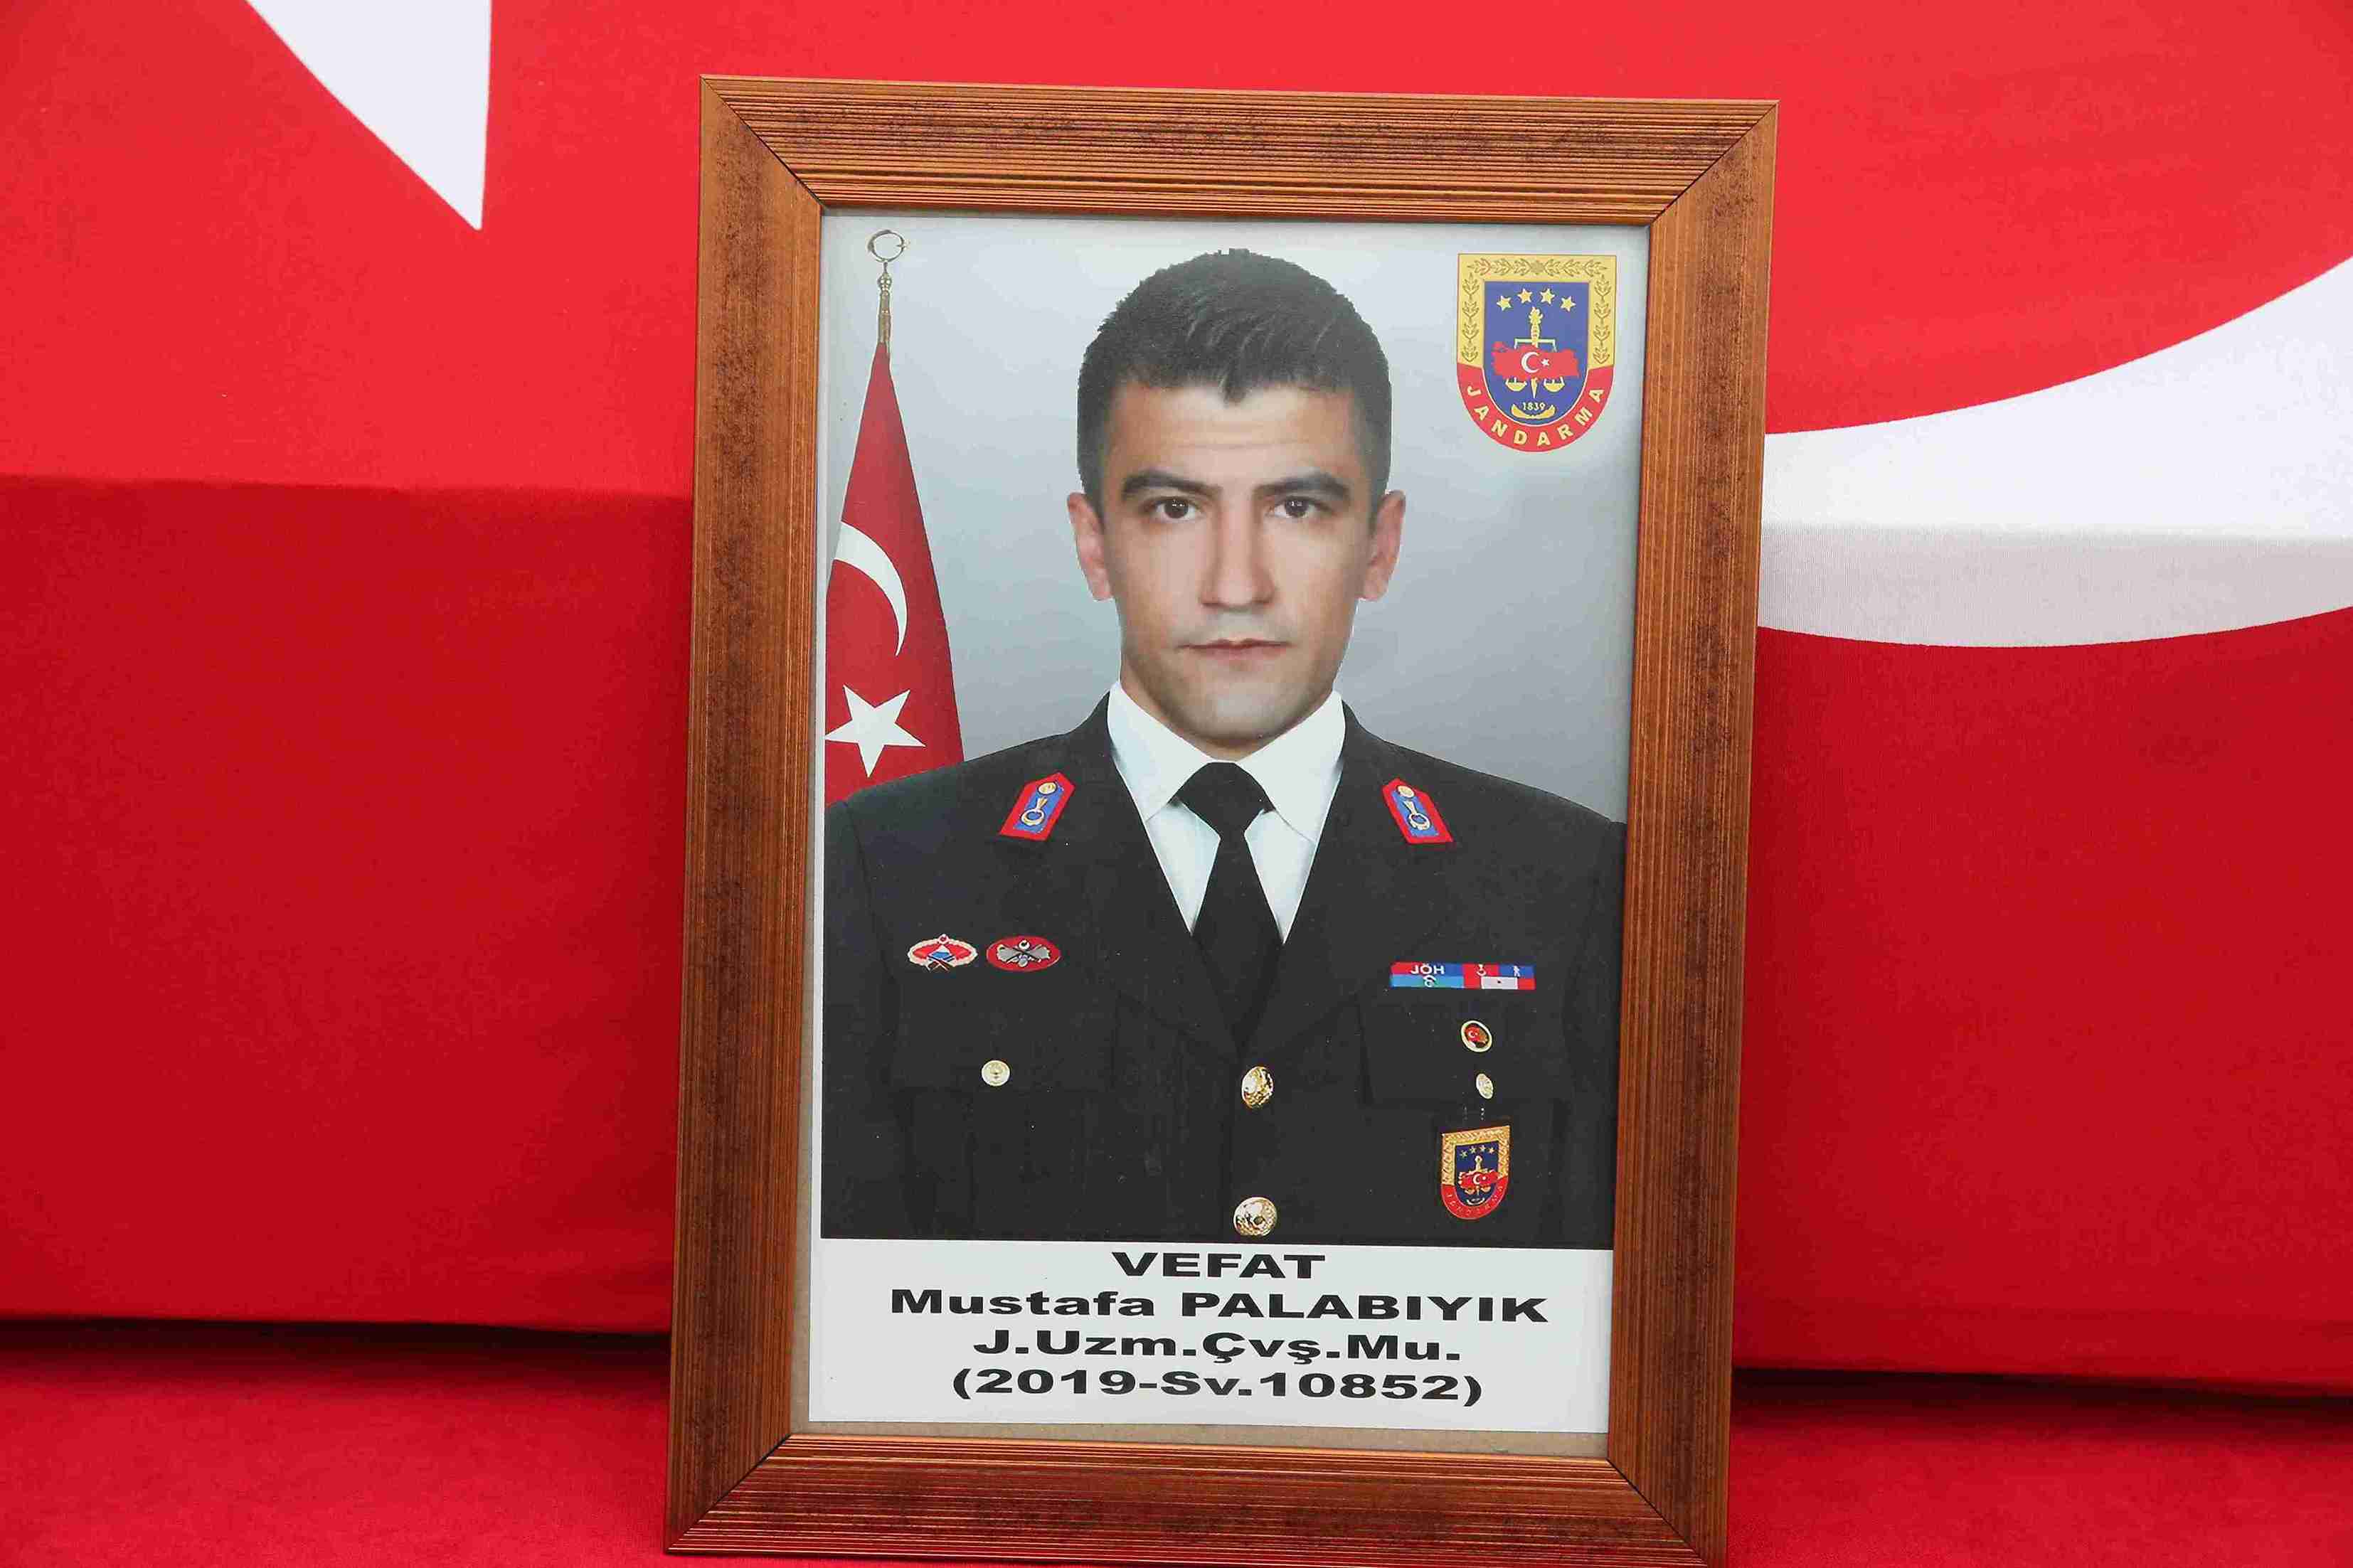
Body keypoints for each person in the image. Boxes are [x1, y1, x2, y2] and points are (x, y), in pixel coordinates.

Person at [823, 250, 1622, 1247]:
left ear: (1379, 547)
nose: (1236, 584)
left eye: (1298, 508)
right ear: (1093, 543)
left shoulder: (1568, 884)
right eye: (1174, 509)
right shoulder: (884, 871)